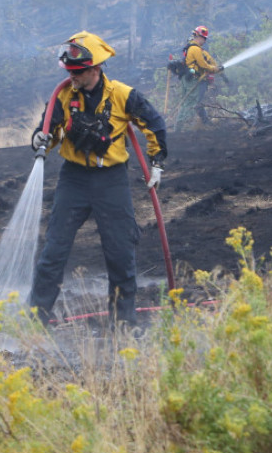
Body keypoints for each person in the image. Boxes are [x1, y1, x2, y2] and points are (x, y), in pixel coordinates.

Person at [29, 31, 168, 328]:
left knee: (120, 252)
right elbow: (47, 130)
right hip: (74, 180)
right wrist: (39, 139)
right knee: (53, 252)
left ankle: (123, 324)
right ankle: (35, 321)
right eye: (69, 71)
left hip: (111, 181)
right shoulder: (64, 96)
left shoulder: (122, 95)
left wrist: (156, 163)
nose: (71, 76)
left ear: (95, 69)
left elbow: (154, 125)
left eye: (77, 71)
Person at [179, 24, 224, 127]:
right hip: (197, 79)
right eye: (204, 38)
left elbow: (207, 61)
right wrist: (216, 69)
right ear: (199, 37)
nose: (204, 41)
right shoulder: (195, 49)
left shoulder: (193, 48)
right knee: (195, 102)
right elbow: (203, 65)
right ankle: (189, 124)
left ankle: (202, 122)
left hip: (193, 78)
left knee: (194, 102)